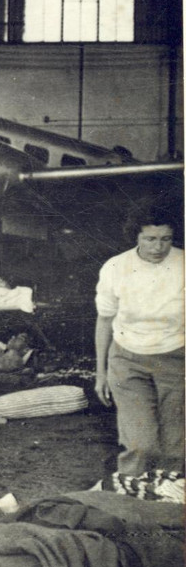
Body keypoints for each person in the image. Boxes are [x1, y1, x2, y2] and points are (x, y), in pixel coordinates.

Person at [94, 202, 185, 476]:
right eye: (150, 239)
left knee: (175, 446)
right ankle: (128, 493)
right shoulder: (116, 267)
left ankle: (167, 495)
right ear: (136, 236)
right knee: (141, 445)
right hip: (127, 359)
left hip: (175, 359)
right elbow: (104, 321)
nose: (158, 247)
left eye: (166, 239)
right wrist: (101, 373)